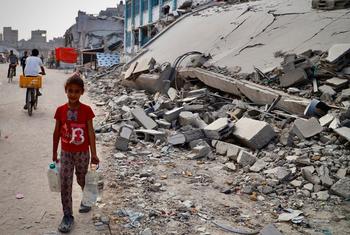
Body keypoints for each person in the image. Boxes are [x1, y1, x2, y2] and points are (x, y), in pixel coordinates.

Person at [52, 73, 99, 233]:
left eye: (76, 91)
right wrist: (54, 153)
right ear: (66, 91)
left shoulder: (87, 111)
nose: (73, 94)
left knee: (81, 178)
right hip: (65, 153)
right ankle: (67, 216)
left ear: (82, 92)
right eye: (70, 91)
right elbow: (56, 132)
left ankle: (87, 198)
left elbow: (91, 132)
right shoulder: (60, 110)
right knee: (65, 183)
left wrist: (94, 154)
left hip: (82, 153)